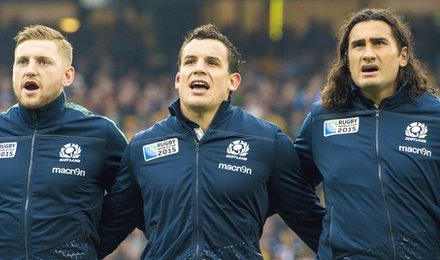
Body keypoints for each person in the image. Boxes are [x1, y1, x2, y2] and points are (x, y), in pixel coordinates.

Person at [99, 24, 324, 259]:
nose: (198, 69)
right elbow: (107, 230)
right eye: (190, 61)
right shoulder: (142, 147)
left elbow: (310, 220)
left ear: (233, 82)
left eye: (212, 62)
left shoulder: (267, 141)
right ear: (178, 79)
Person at [0, 24, 129, 259]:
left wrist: (88, 247)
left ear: (68, 75)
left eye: (43, 62)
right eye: (22, 61)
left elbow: (128, 202)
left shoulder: (100, 133)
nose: (30, 70)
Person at [294, 8, 440, 258]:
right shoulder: (323, 119)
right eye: (358, 45)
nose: (368, 53)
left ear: (403, 55)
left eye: (379, 43)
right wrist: (328, 238)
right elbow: (291, 190)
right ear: (347, 59)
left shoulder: (435, 117)